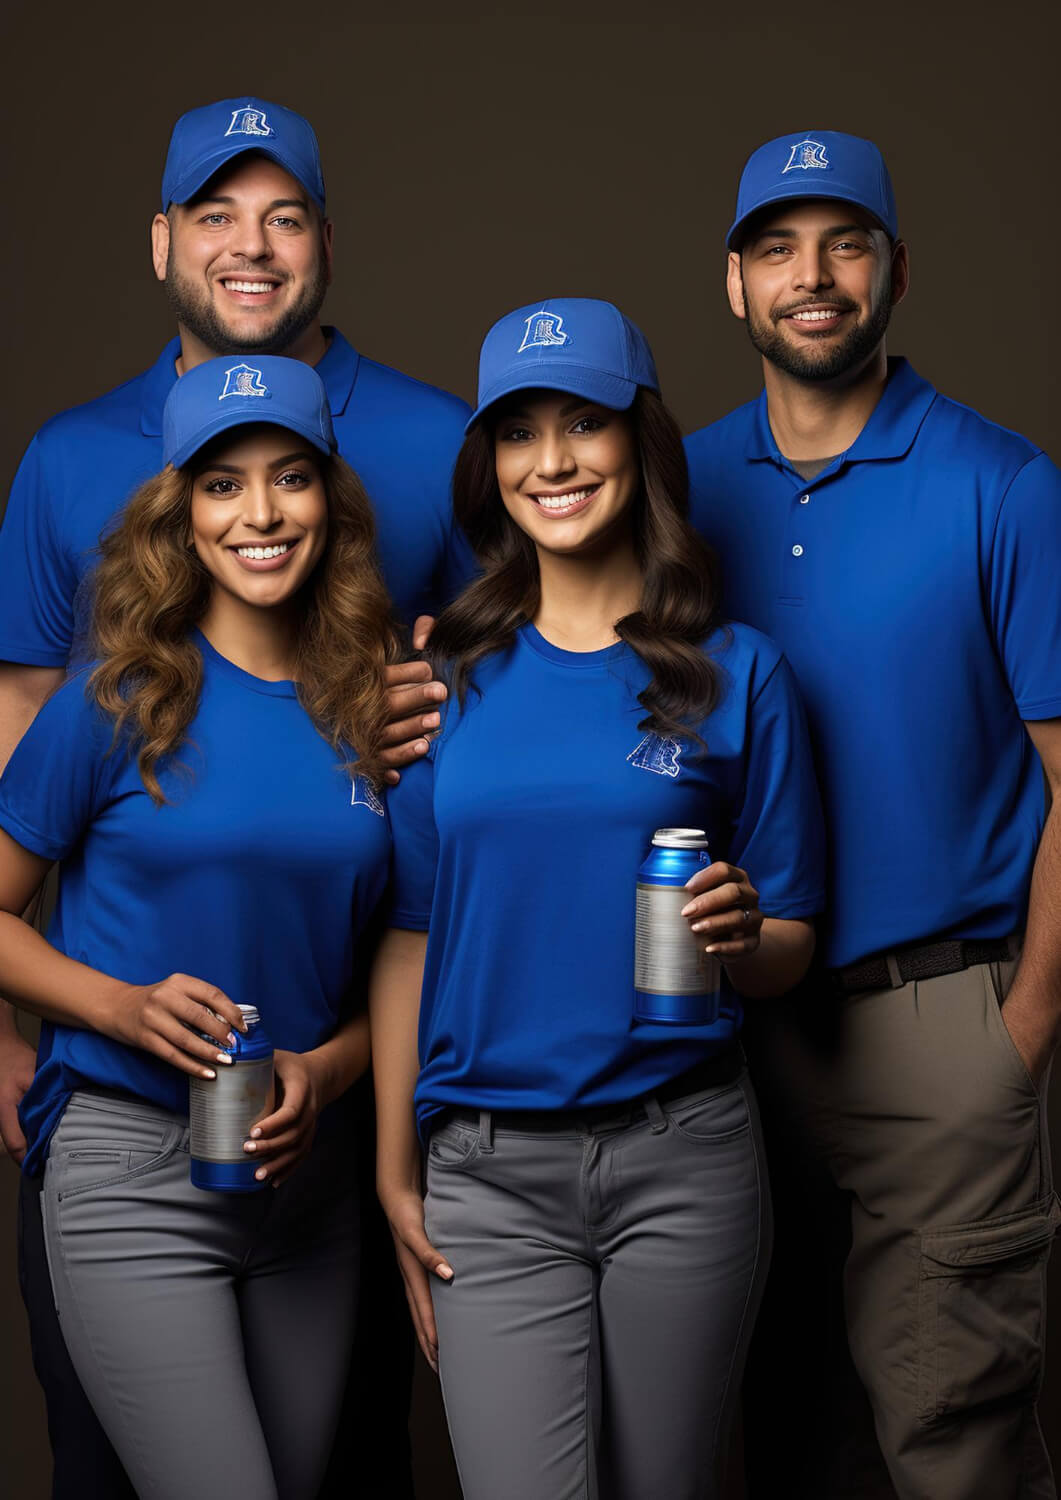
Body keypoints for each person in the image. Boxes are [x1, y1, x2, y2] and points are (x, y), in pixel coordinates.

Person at [0, 96, 458, 1499]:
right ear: (179, 515)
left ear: (333, 501)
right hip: (129, 1144)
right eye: (222, 487)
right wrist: (107, 1010)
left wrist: (333, 1075)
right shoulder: (114, 699)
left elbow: (411, 937)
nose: (259, 514)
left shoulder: (374, 716)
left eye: (290, 480)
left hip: (308, 1174)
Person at [370, 298, 826, 1499]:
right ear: (489, 465)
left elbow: (789, 944)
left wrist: (741, 933)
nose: (553, 462)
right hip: (487, 1172)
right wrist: (393, 1170)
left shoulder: (738, 672)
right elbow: (410, 938)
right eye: (519, 434)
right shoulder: (442, 682)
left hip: (684, 1159)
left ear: (639, 441)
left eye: (584, 423)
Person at [683, 130, 1061, 1499]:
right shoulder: (676, 488)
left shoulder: (1001, 484)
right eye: (778, 249)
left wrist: (1018, 1032)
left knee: (952, 1451)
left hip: (937, 1027)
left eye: (843, 244)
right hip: (728, 1042)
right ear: (734, 282)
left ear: (894, 271)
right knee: (776, 1441)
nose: (812, 277)